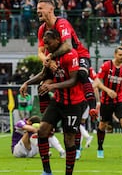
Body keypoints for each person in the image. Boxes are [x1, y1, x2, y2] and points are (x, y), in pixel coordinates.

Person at [19, 29, 87, 175]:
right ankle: (47, 171)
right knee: (42, 130)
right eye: (44, 44)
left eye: (49, 43)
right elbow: (44, 74)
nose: (46, 47)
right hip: (58, 101)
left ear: (58, 40)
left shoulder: (71, 55)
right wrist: (27, 83)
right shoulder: (51, 57)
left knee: (69, 139)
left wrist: (52, 86)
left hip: (73, 104)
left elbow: (74, 80)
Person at [36, 0, 96, 114]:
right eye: (37, 9)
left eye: (40, 8)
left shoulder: (62, 23)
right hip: (60, 60)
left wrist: (51, 57)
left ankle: (92, 107)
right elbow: (40, 52)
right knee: (42, 86)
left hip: (79, 55)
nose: (38, 11)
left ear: (51, 9)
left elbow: (68, 46)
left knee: (82, 73)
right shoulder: (42, 29)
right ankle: (47, 117)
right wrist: (47, 61)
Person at [92, 46, 122, 159]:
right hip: (106, 101)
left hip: (120, 100)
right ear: (115, 55)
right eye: (120, 55)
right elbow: (97, 82)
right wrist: (107, 90)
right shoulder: (106, 66)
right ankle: (100, 147)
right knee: (102, 125)